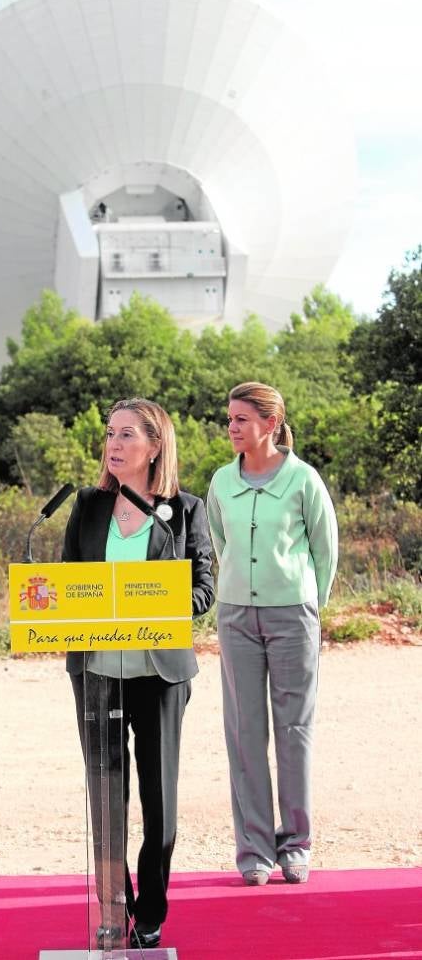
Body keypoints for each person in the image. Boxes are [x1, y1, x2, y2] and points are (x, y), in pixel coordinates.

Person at [62, 397, 214, 950]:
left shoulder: (184, 510)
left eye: (128, 434)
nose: (115, 444)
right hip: (97, 668)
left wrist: (159, 603)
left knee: (158, 801)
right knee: (107, 798)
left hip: (159, 672)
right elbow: (65, 585)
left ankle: (149, 912)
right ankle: (111, 908)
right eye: (110, 433)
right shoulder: (87, 505)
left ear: (155, 446)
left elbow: (203, 590)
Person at [206, 381, 338, 886]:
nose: (232, 428)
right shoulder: (221, 481)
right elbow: (221, 541)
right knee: (243, 734)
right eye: (230, 419)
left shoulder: (304, 479)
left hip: (293, 616)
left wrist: (309, 605)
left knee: (294, 731)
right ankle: (255, 852)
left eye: (241, 419)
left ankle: (296, 845)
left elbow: (325, 550)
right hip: (237, 616)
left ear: (270, 424)